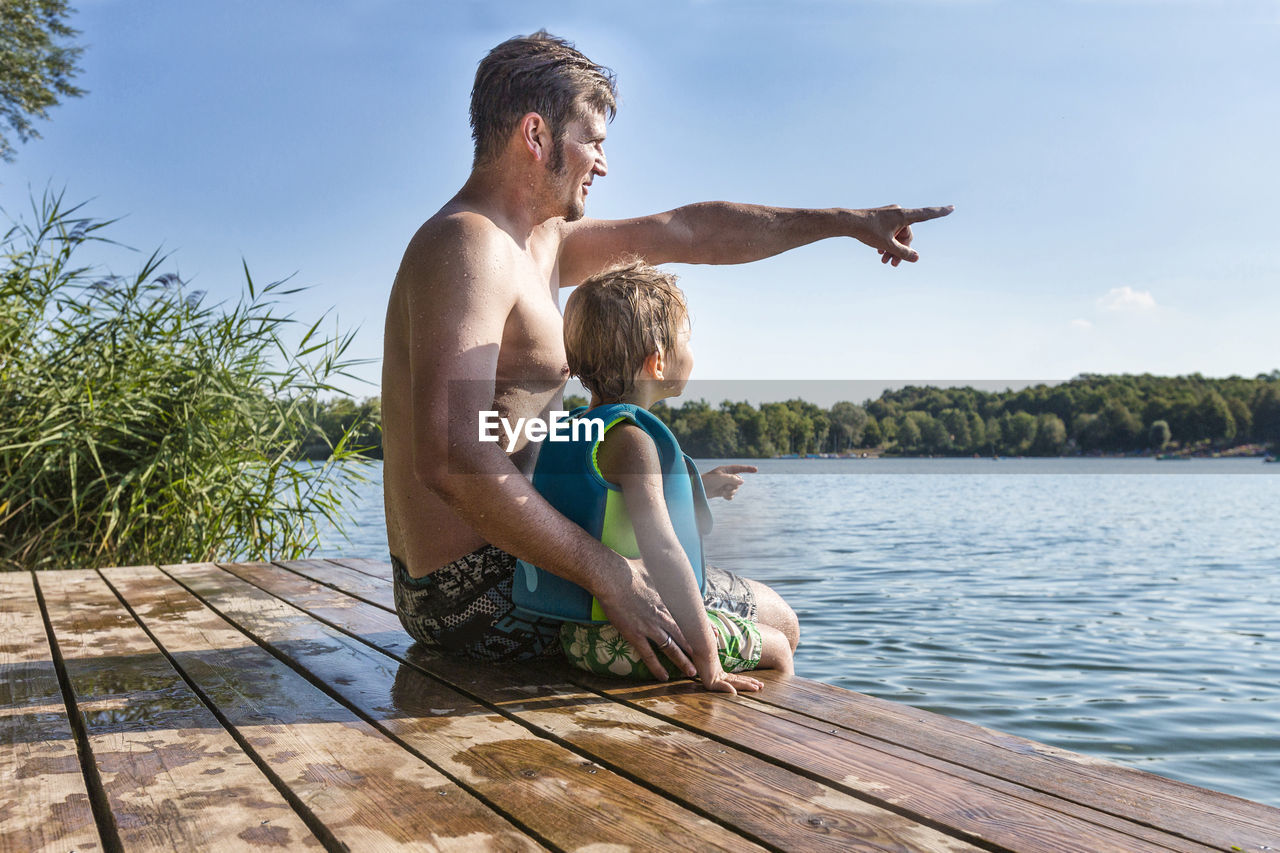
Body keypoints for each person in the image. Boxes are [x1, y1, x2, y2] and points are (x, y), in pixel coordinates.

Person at [381, 30, 952, 678]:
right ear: (536, 135)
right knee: (778, 627)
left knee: (774, 618)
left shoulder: (541, 245)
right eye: (592, 140)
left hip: (519, 562)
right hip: (470, 595)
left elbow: (689, 230)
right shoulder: (470, 246)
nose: (603, 162)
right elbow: (451, 453)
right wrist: (610, 574)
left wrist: (846, 221)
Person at [539, 261, 793, 693]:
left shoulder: (580, 428)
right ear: (657, 363)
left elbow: (608, 506)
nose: (692, 350)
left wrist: (702, 488)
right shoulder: (635, 441)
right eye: (687, 340)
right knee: (782, 646)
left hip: (575, 634)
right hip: (633, 639)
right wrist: (708, 658)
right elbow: (661, 548)